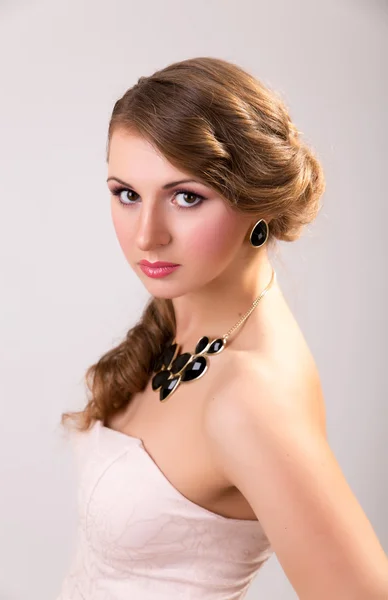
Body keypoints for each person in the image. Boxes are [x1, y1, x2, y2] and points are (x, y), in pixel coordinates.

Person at [56, 57, 388, 599]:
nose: (147, 236)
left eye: (186, 197)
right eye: (127, 194)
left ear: (257, 201)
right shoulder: (183, 315)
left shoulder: (248, 398)